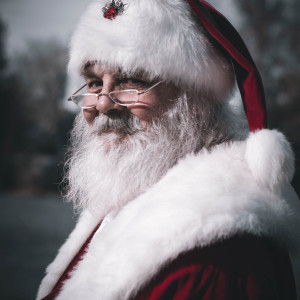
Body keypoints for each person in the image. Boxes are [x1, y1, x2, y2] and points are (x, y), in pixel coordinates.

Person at [37, 0, 300, 299]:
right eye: (94, 83)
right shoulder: (127, 202)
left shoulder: (217, 258)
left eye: (131, 79)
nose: (103, 103)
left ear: (196, 101)